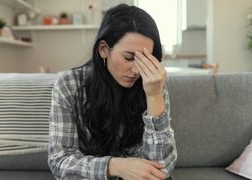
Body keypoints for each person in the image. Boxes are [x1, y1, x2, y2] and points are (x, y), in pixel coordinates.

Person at [48, 4, 177, 180]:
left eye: (146, 59)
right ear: (104, 50)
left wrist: (154, 96)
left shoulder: (153, 83)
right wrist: (115, 166)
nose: (138, 70)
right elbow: (60, 162)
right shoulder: (69, 85)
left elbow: (162, 168)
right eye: (129, 57)